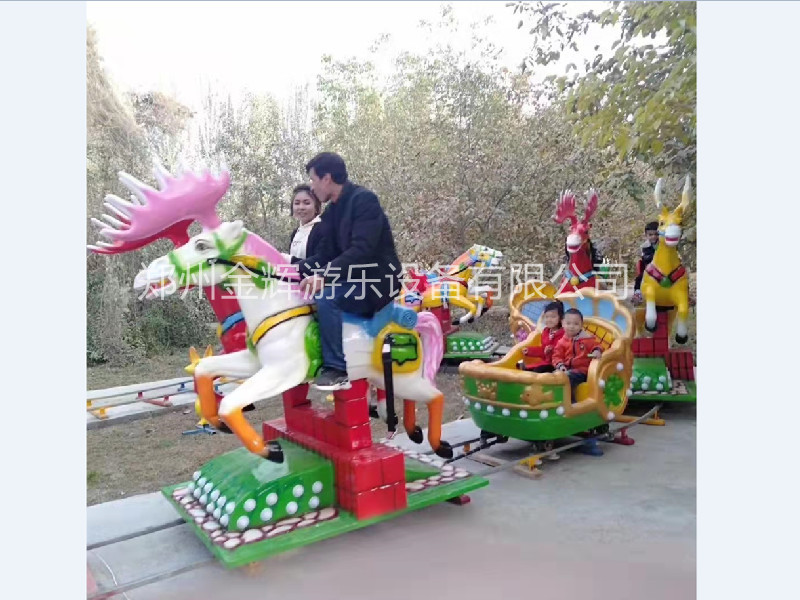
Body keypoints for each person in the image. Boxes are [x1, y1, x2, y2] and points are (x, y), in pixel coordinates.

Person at [297, 152, 402, 390]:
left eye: (313, 180)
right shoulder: (331, 213)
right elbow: (324, 255)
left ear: (327, 178)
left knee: (327, 298)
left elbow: (362, 249)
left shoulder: (364, 201)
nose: (312, 187)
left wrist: (324, 276)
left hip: (377, 281)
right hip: (351, 279)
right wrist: (290, 268)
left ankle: (336, 369)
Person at [552, 308, 603, 403]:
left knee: (567, 378)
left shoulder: (587, 339)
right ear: (562, 323)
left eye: (576, 324)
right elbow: (556, 357)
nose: (572, 326)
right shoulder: (561, 342)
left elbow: (597, 346)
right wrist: (560, 366)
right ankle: (554, 401)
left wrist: (597, 351)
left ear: (581, 325)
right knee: (553, 376)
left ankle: (571, 404)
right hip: (566, 369)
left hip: (582, 371)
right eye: (568, 323)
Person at [519, 301, 565, 372]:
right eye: (547, 317)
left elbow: (566, 350)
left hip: (558, 364)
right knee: (531, 369)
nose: (549, 319)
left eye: (553, 317)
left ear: (561, 318)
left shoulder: (564, 333)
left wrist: (551, 350)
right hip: (547, 362)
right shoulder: (546, 332)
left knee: (539, 370)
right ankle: (525, 368)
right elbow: (543, 350)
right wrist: (529, 351)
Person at [287, 184, 324, 263]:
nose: (301, 207)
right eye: (297, 203)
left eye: (307, 203)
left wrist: (291, 260)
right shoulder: (295, 233)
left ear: (316, 207)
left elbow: (320, 262)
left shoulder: (323, 229)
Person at [632, 221, 659, 305]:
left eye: (656, 234)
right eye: (650, 235)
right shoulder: (645, 246)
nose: (654, 236)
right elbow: (646, 258)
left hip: (663, 266)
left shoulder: (663, 244)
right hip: (650, 267)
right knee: (640, 277)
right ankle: (637, 293)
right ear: (646, 235)